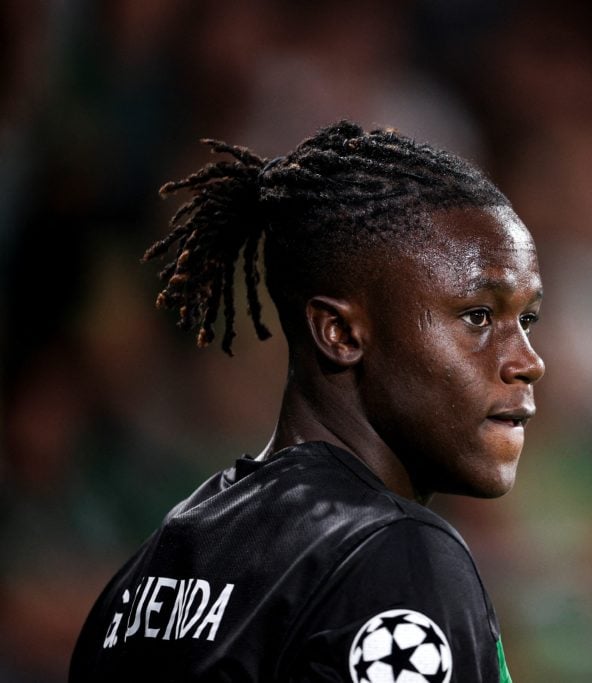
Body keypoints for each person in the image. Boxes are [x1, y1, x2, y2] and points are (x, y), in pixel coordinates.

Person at [69, 119, 544, 682]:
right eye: (478, 317)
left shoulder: (152, 572)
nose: (528, 361)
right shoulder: (394, 556)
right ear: (339, 333)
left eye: (528, 319)